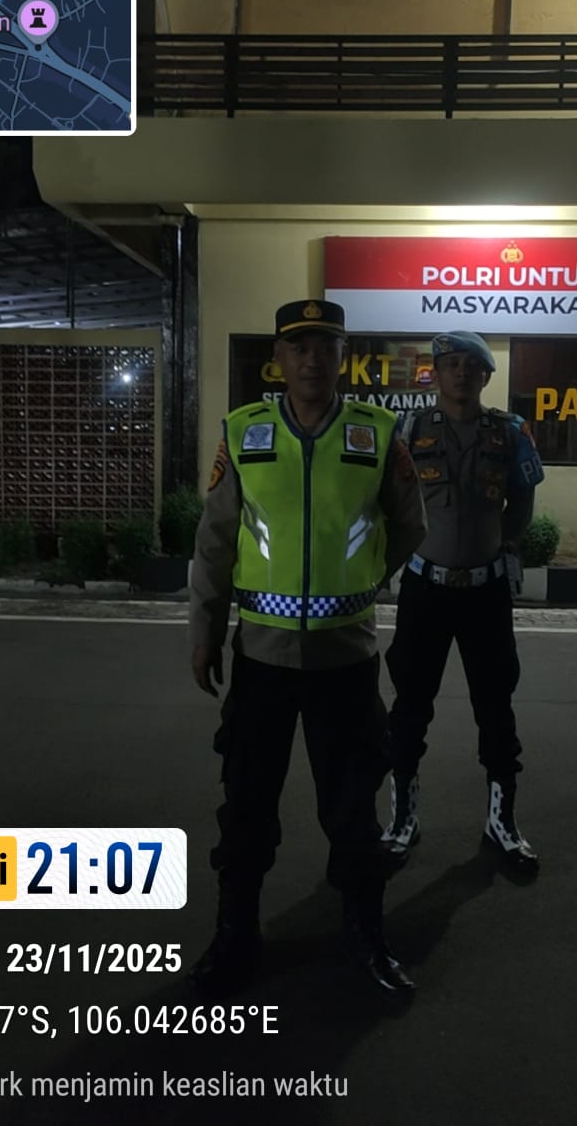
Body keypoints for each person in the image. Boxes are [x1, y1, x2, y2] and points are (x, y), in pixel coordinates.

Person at [189, 299, 426, 998]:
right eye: (299, 347)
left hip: (345, 663)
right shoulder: (243, 433)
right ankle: (235, 935)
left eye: (326, 346)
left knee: (353, 812)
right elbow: (215, 542)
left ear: (344, 356)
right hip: (261, 661)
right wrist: (205, 631)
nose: (312, 360)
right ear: (279, 358)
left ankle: (365, 934)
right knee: (246, 808)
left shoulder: (377, 434)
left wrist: (362, 579)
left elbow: (409, 526)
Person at [381, 330, 545, 873]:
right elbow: (389, 503)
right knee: (410, 706)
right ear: (436, 372)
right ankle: (402, 819)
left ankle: (502, 823)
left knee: (496, 707)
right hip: (424, 589)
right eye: (450, 364)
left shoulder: (511, 431)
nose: (461, 374)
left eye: (471, 366)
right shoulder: (406, 430)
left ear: (486, 375)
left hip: (485, 593)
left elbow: (521, 508)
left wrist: (489, 548)